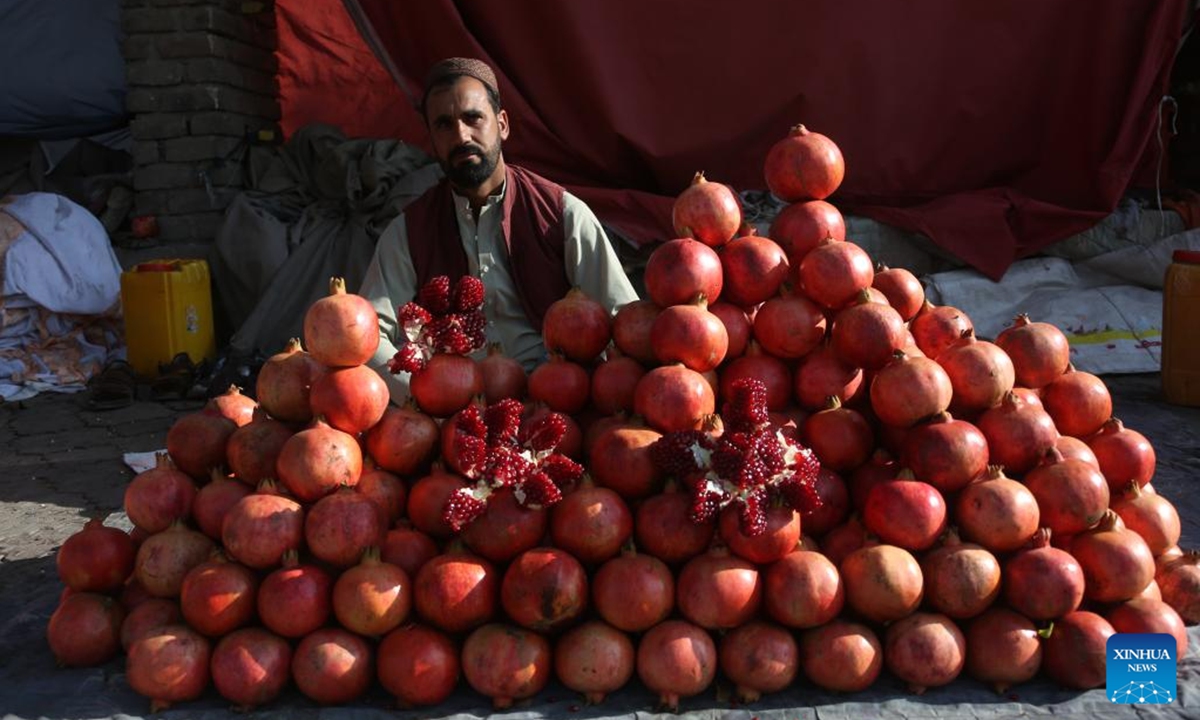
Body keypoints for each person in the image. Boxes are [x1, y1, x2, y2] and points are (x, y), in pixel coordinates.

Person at [359, 57, 639, 405]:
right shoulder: (409, 231)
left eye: (473, 118)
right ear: (431, 139)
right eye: (444, 125)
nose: (461, 136)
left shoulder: (561, 213)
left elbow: (626, 322)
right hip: (452, 419)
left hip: (557, 409)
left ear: (502, 124)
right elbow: (368, 338)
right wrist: (425, 398)